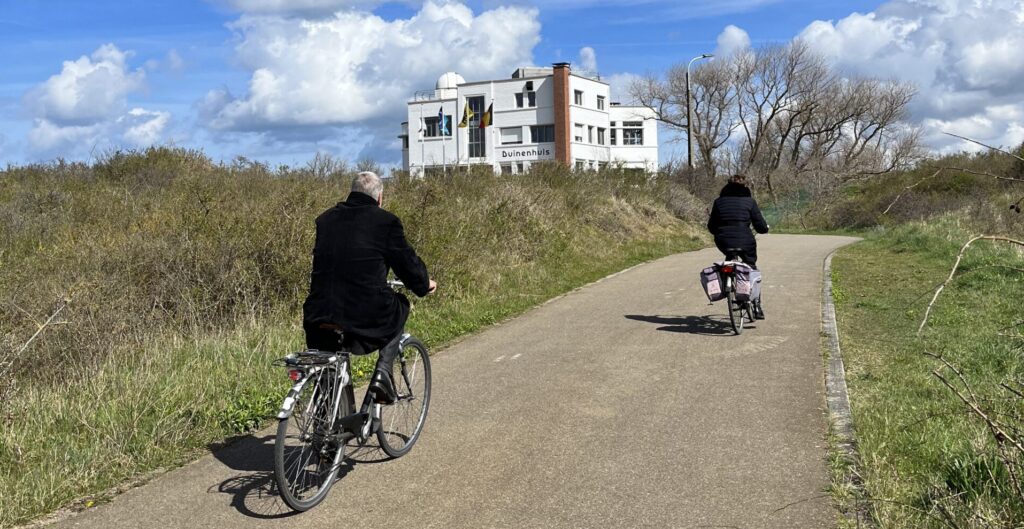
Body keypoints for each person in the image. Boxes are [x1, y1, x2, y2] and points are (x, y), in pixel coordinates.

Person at [302, 171, 436, 404]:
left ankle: (324, 432)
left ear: (351, 192)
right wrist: (424, 285)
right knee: (400, 306)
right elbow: (407, 264)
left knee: (326, 368)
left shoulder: (325, 220)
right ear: (379, 198)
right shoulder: (386, 222)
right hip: (363, 313)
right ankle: (383, 373)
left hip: (318, 311)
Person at [706, 174, 770, 268]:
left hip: (723, 241)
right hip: (745, 241)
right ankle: (749, 273)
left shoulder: (718, 201)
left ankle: (724, 277)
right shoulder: (750, 201)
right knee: (750, 262)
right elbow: (759, 225)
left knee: (729, 257)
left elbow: (711, 227)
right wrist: (764, 229)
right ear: (745, 186)